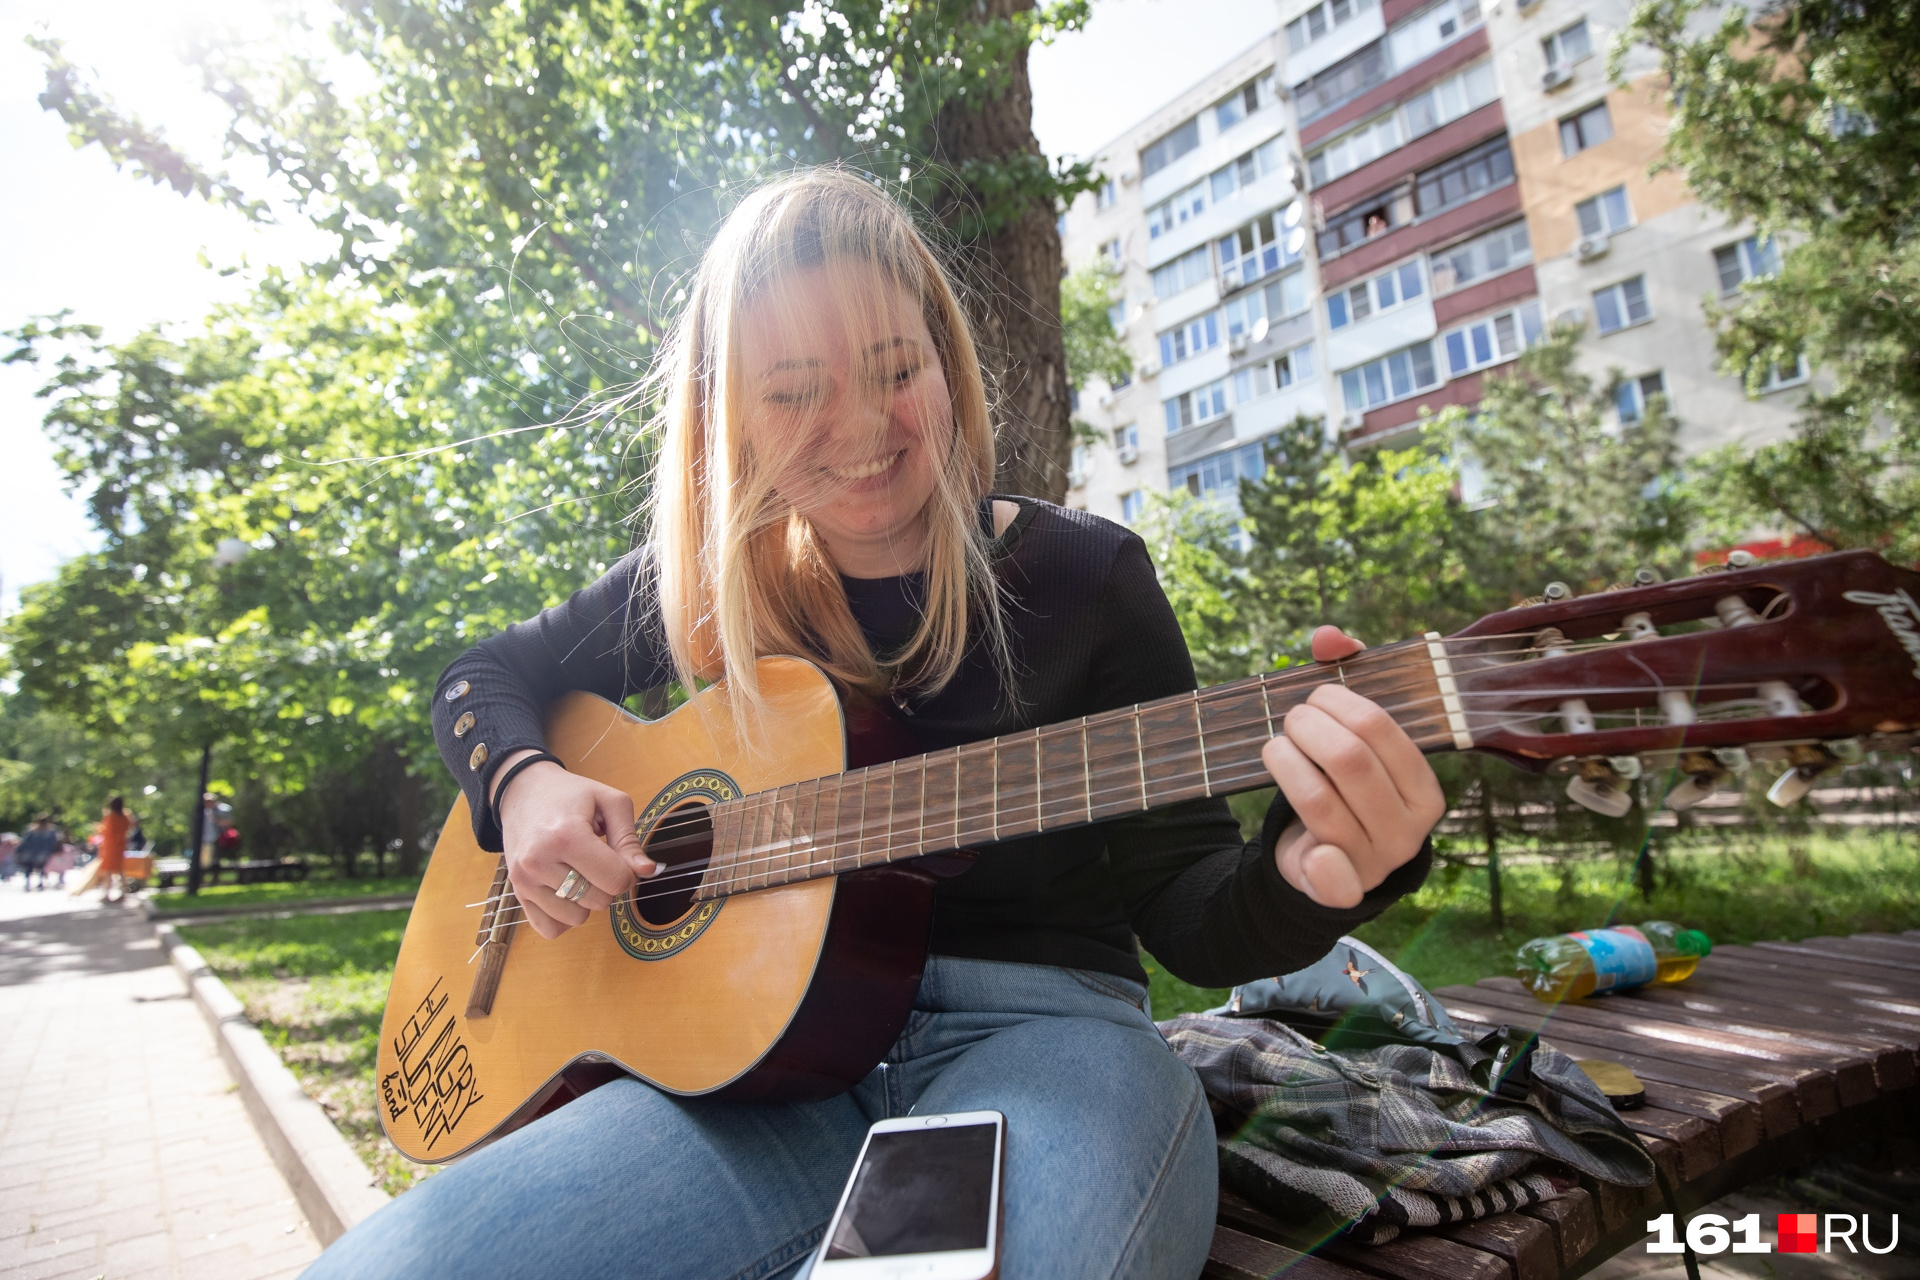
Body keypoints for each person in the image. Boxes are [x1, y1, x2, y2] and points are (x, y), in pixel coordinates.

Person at [303, 169, 1445, 1280]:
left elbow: (1191, 913)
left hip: (1044, 1053)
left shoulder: (1085, 576)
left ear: (947, 366)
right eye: (794, 389)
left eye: (894, 368)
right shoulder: (709, 582)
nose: (858, 426)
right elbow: (484, 673)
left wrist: (1315, 872)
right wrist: (525, 787)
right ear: (731, 419)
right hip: (750, 1084)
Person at [95, 796, 130, 903]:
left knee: (108, 871)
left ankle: (106, 894)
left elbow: (107, 831)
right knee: (120, 870)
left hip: (111, 847)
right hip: (120, 846)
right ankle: (123, 893)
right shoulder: (124, 817)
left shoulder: (111, 817)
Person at [15, 816, 62, 892]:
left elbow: (25, 841)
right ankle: (40, 883)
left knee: (29, 868)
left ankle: (28, 883)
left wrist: (19, 850)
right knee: (41, 868)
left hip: (30, 852)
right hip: (44, 852)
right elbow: (55, 841)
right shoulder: (51, 830)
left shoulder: (31, 829)